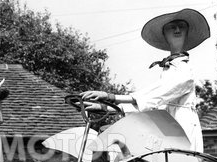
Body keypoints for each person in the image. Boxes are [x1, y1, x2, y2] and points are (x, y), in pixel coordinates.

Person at [81, 8, 210, 152]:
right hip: (165, 125)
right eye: (172, 27)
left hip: (181, 129)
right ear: (164, 34)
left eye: (182, 26)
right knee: (112, 135)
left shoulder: (185, 71)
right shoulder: (169, 68)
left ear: (187, 32)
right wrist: (106, 108)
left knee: (124, 140)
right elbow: (151, 105)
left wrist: (110, 97)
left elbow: (156, 95)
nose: (177, 30)